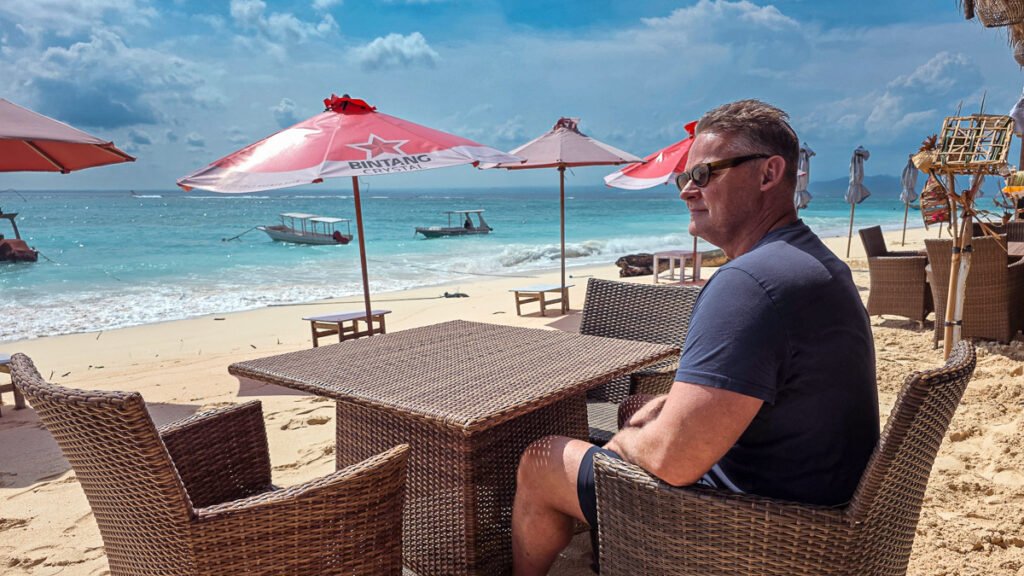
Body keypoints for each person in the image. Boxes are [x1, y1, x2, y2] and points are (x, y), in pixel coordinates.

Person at [511, 99, 878, 575]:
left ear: (769, 174)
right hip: (812, 519)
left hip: (739, 533)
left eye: (704, 174)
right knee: (635, 410)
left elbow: (672, 460)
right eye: (684, 178)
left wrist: (622, 446)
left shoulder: (749, 285)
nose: (686, 190)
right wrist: (649, 419)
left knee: (541, 461)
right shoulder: (814, 264)